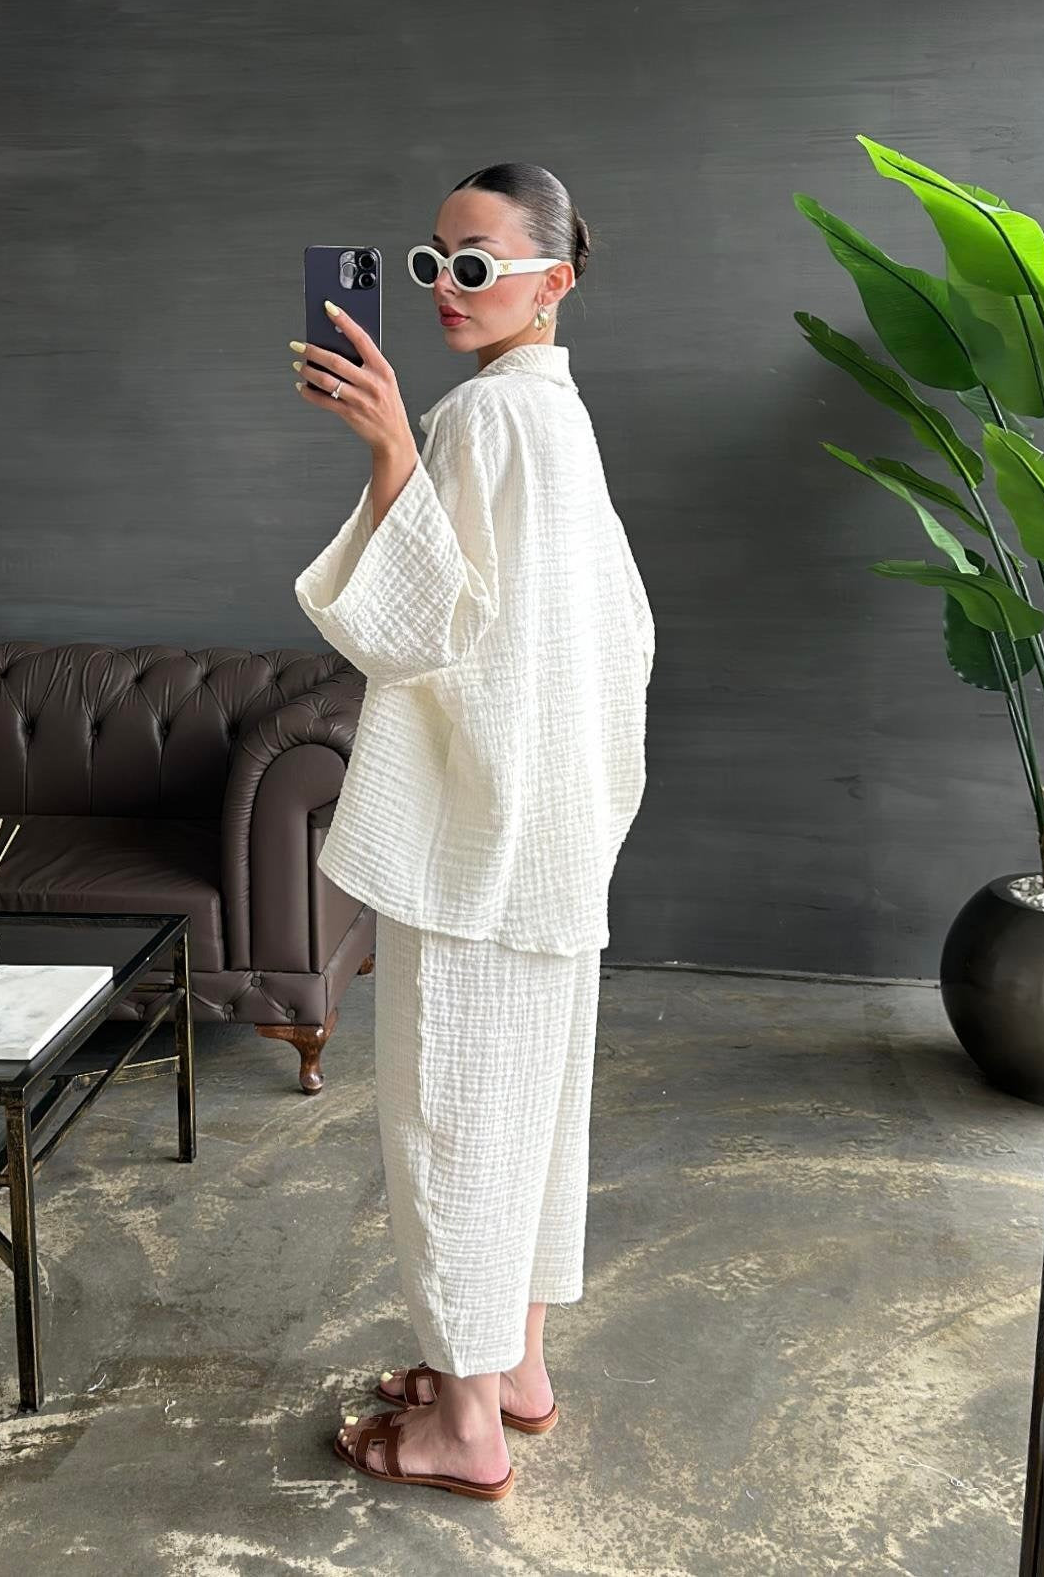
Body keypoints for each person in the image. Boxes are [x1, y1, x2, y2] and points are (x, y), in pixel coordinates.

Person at [290, 162, 654, 1500]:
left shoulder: (480, 420)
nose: (447, 287)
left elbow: (423, 627)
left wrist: (393, 447)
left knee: (452, 1113)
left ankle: (463, 1431)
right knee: (534, 1110)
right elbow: (612, 632)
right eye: (433, 261)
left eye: (477, 264)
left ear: (553, 281)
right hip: (553, 830)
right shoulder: (554, 414)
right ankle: (512, 1371)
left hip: (477, 839)